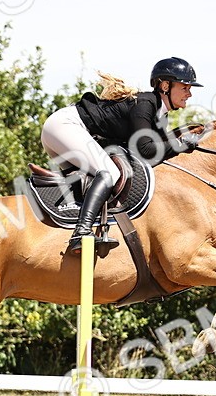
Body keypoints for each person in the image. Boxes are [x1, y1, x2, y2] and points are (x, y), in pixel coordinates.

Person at [40, 56, 204, 255]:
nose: (189, 94)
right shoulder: (145, 104)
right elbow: (145, 150)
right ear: (165, 85)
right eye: (185, 87)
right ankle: (81, 232)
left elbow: (155, 155)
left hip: (63, 132)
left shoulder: (160, 115)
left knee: (90, 182)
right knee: (109, 172)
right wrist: (180, 144)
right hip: (65, 126)